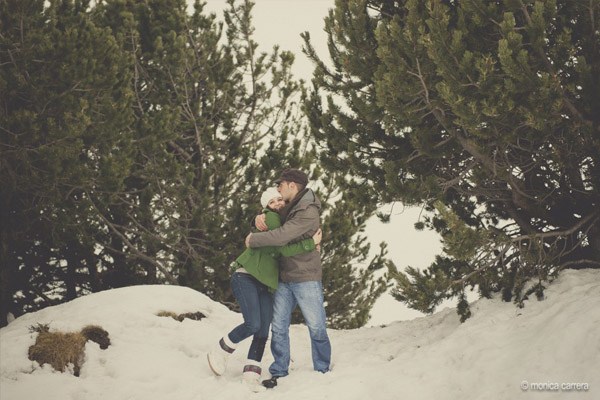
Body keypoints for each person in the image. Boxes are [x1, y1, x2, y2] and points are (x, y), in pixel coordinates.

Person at [207, 187, 322, 392]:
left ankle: (251, 373)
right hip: (247, 276)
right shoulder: (271, 219)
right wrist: (310, 243)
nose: (278, 204)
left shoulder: (284, 221)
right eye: (272, 202)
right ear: (265, 207)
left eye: (280, 200)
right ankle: (220, 350)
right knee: (253, 324)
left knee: (262, 331)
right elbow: (283, 248)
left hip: (266, 284)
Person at [245, 168, 331, 389]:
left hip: (305, 276)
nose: (278, 189)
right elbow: (273, 220)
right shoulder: (289, 206)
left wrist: (253, 239)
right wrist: (260, 216)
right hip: (284, 276)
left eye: (280, 185)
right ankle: (279, 368)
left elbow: (281, 237)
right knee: (279, 326)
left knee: (316, 325)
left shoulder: (306, 211)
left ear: (292, 185)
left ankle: (322, 368)